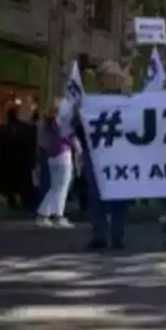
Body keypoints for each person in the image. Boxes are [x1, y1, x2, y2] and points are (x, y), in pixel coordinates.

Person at [81, 60, 131, 250]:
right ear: (100, 80)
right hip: (96, 155)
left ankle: (118, 236)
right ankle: (99, 235)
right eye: (108, 76)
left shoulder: (129, 101)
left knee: (121, 196)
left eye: (115, 76)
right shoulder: (90, 103)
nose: (112, 80)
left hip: (122, 155)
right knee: (96, 196)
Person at [34, 99, 76, 227]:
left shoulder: (46, 121)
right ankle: (54, 215)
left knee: (55, 187)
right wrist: (76, 146)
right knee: (61, 187)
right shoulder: (60, 121)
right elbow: (67, 137)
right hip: (63, 154)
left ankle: (48, 215)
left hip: (51, 155)